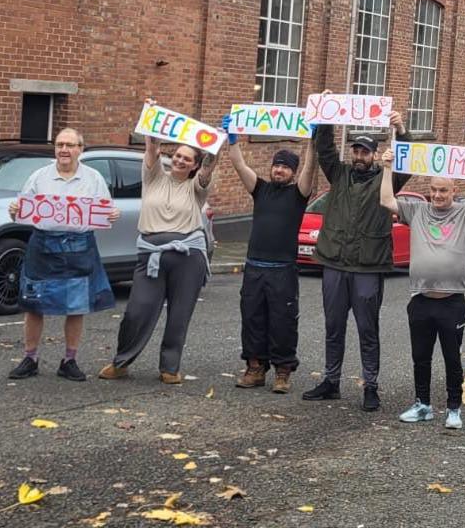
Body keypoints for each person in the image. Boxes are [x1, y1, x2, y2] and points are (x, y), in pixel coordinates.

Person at [301, 104, 411, 411]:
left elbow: (408, 162)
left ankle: (370, 386)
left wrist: (401, 130)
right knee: (333, 327)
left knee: (368, 329)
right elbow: (325, 149)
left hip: (368, 266)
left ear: (374, 154)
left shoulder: (387, 179)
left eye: (365, 152)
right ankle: (331, 381)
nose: (359, 156)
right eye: (356, 151)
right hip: (335, 262)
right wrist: (325, 116)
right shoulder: (339, 175)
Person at [100, 102, 215, 384]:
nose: (180, 161)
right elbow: (152, 146)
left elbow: (209, 166)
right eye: (177, 156)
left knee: (180, 313)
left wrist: (215, 144)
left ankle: (170, 368)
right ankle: (122, 362)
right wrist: (151, 119)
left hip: (188, 256)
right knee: (138, 310)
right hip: (151, 255)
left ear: (194, 165)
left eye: (187, 159)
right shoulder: (153, 177)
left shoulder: (196, 188)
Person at [379, 149, 465, 430]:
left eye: (443, 190)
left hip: (452, 302)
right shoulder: (417, 210)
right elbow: (386, 200)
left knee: (452, 359)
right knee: (421, 358)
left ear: (454, 191)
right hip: (421, 299)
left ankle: (454, 408)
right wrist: (387, 167)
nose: (438, 195)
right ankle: (422, 405)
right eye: (434, 190)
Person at [7, 127, 120, 382]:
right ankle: (30, 358)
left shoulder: (93, 178)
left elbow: (105, 211)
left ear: (80, 149)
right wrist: (14, 210)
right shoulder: (39, 176)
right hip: (42, 245)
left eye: (70, 145)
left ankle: (69, 360)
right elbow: (21, 209)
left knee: (76, 306)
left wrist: (112, 214)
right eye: (60, 145)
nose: (64, 150)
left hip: (79, 246)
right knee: (33, 304)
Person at [222, 114, 318, 394]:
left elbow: (310, 169)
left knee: (283, 321)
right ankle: (255, 368)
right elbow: (239, 165)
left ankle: (283, 371)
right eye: (277, 165)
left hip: (282, 270)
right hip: (254, 268)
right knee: (252, 319)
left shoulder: (298, 194)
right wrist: (232, 139)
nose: (279, 170)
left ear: (292, 172)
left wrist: (313, 140)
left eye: (285, 167)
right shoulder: (260, 189)